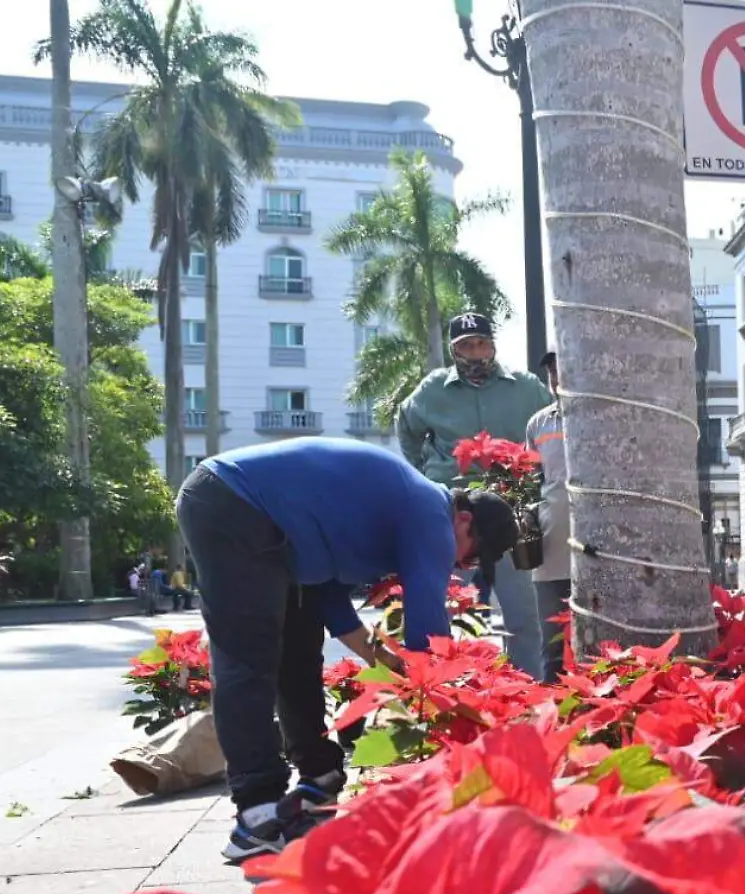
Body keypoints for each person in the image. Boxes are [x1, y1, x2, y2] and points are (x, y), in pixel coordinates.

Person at [176, 436, 519, 862]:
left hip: (266, 522)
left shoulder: (399, 508)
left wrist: (383, 660)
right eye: (469, 557)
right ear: (464, 519)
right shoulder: (431, 512)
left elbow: (328, 597)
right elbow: (429, 632)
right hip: (233, 502)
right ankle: (257, 815)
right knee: (248, 660)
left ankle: (319, 775)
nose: (459, 567)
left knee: (298, 652)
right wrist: (449, 706)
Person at [396, 312, 549, 679]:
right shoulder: (432, 389)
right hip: (451, 513)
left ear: (493, 345)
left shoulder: (526, 388)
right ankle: (444, 687)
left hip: (510, 510)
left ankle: (527, 690)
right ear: (453, 350)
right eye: (465, 345)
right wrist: (428, 476)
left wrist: (537, 474)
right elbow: (407, 429)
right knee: (443, 604)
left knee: (523, 612)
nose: (475, 352)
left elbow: (550, 425)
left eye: (481, 343)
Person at [525, 350, 573, 680]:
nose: (556, 378)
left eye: (563, 370)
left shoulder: (603, 418)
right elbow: (528, 481)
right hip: (551, 545)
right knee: (552, 641)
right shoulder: (538, 424)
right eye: (552, 372)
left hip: (600, 545)